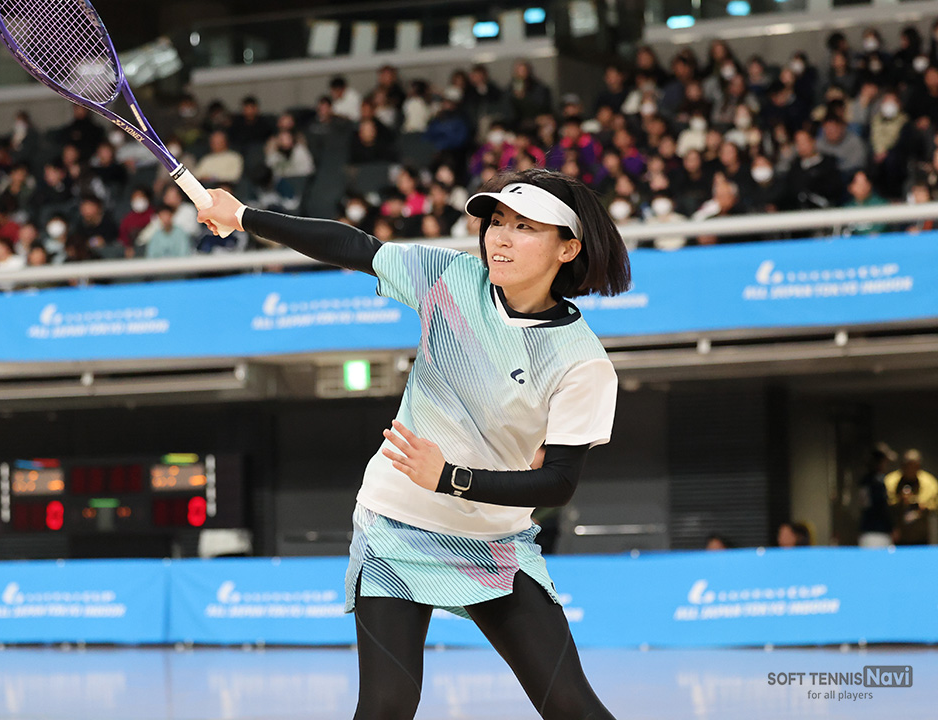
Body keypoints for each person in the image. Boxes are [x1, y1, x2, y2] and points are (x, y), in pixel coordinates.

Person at [197, 168, 630, 720]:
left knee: (572, 705)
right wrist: (242, 216)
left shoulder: (581, 360)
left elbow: (558, 483)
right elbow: (354, 246)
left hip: (494, 541)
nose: (500, 238)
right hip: (395, 524)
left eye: (525, 227)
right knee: (387, 705)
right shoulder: (450, 278)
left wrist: (450, 478)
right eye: (497, 221)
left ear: (568, 248)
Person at [858, 443, 897, 548]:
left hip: (871, 531)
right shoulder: (875, 482)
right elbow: (880, 507)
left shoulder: (867, 481)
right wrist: (891, 527)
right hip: (877, 533)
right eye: (885, 462)